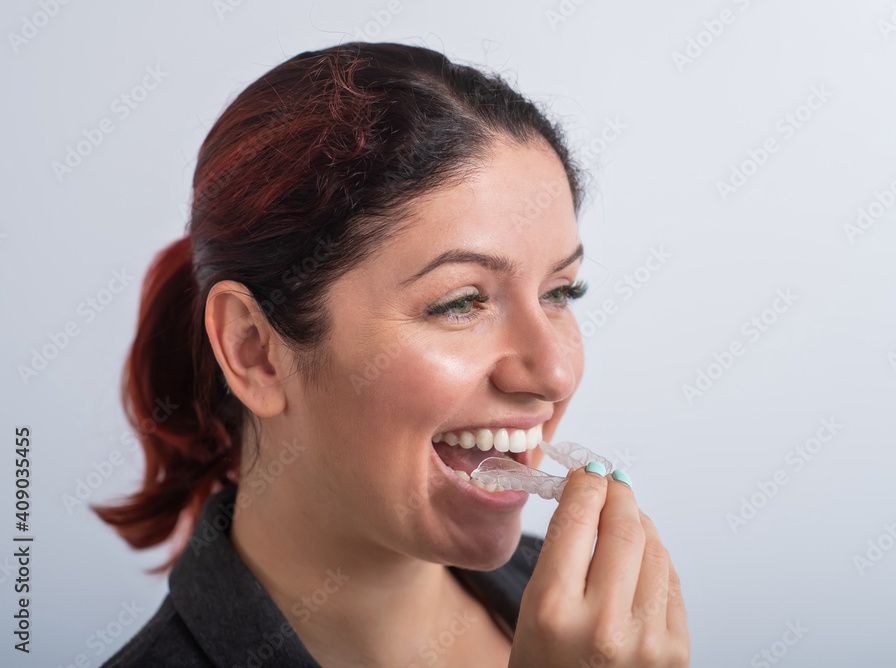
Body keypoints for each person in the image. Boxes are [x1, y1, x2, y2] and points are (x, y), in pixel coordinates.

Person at [95, 41, 689, 667]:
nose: (554, 372)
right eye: (461, 302)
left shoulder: (599, 623)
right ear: (254, 350)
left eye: (560, 292)